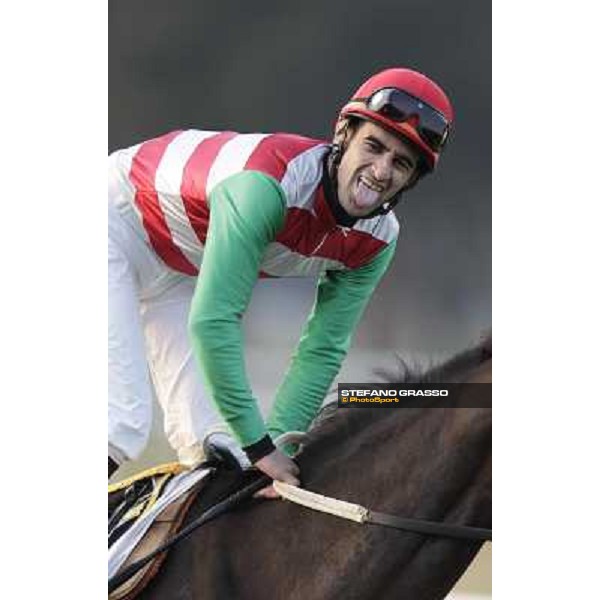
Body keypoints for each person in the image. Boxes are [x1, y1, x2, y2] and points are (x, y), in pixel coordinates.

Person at [108, 67, 454, 495]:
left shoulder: (378, 240)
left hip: (176, 272)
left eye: (400, 163)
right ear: (344, 134)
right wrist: (261, 447)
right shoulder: (266, 186)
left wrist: (276, 450)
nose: (381, 171)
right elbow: (213, 321)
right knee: (121, 422)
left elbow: (321, 349)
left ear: (412, 180)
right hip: (114, 226)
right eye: (374, 146)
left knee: (215, 447)